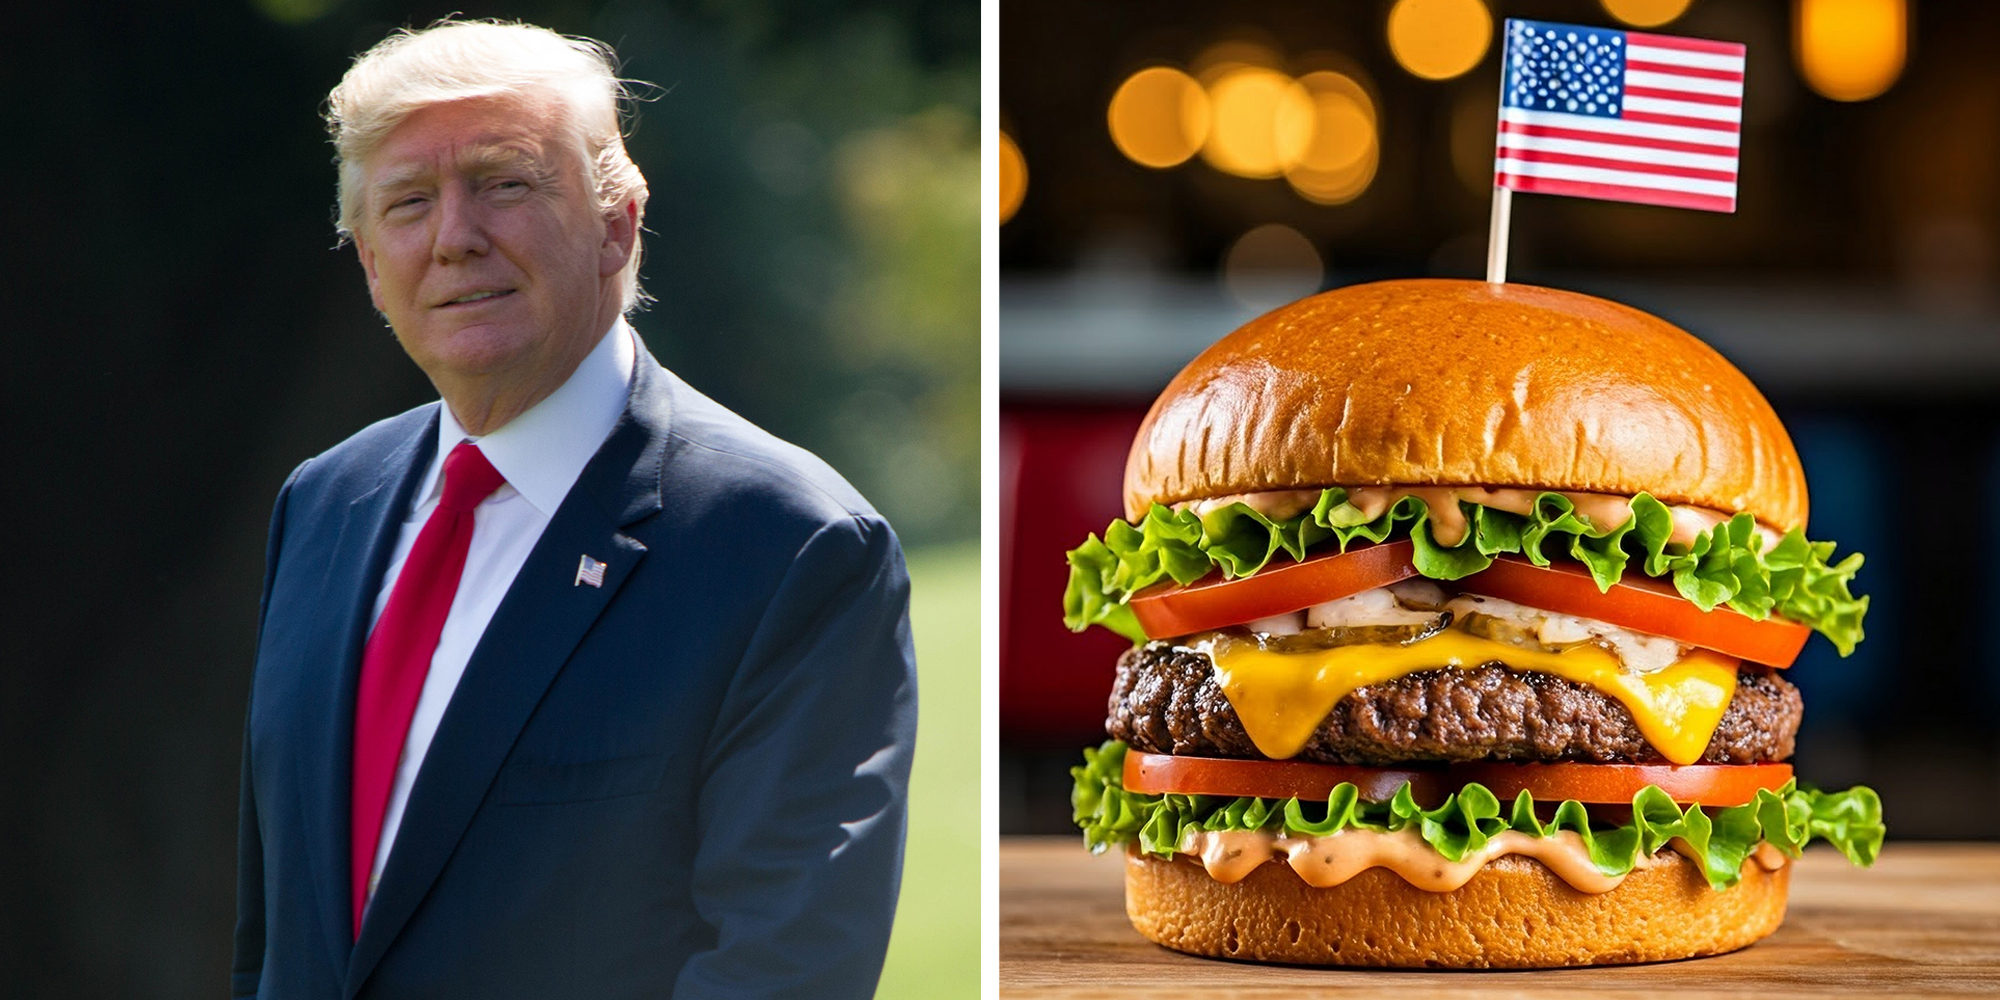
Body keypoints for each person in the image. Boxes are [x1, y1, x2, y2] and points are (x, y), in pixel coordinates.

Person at [232, 20, 917, 999]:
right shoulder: (321, 503)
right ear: (372, 265)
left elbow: (781, 969)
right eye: (409, 203)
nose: (455, 235)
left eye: (506, 183)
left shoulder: (791, 549)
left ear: (616, 224)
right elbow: (275, 937)